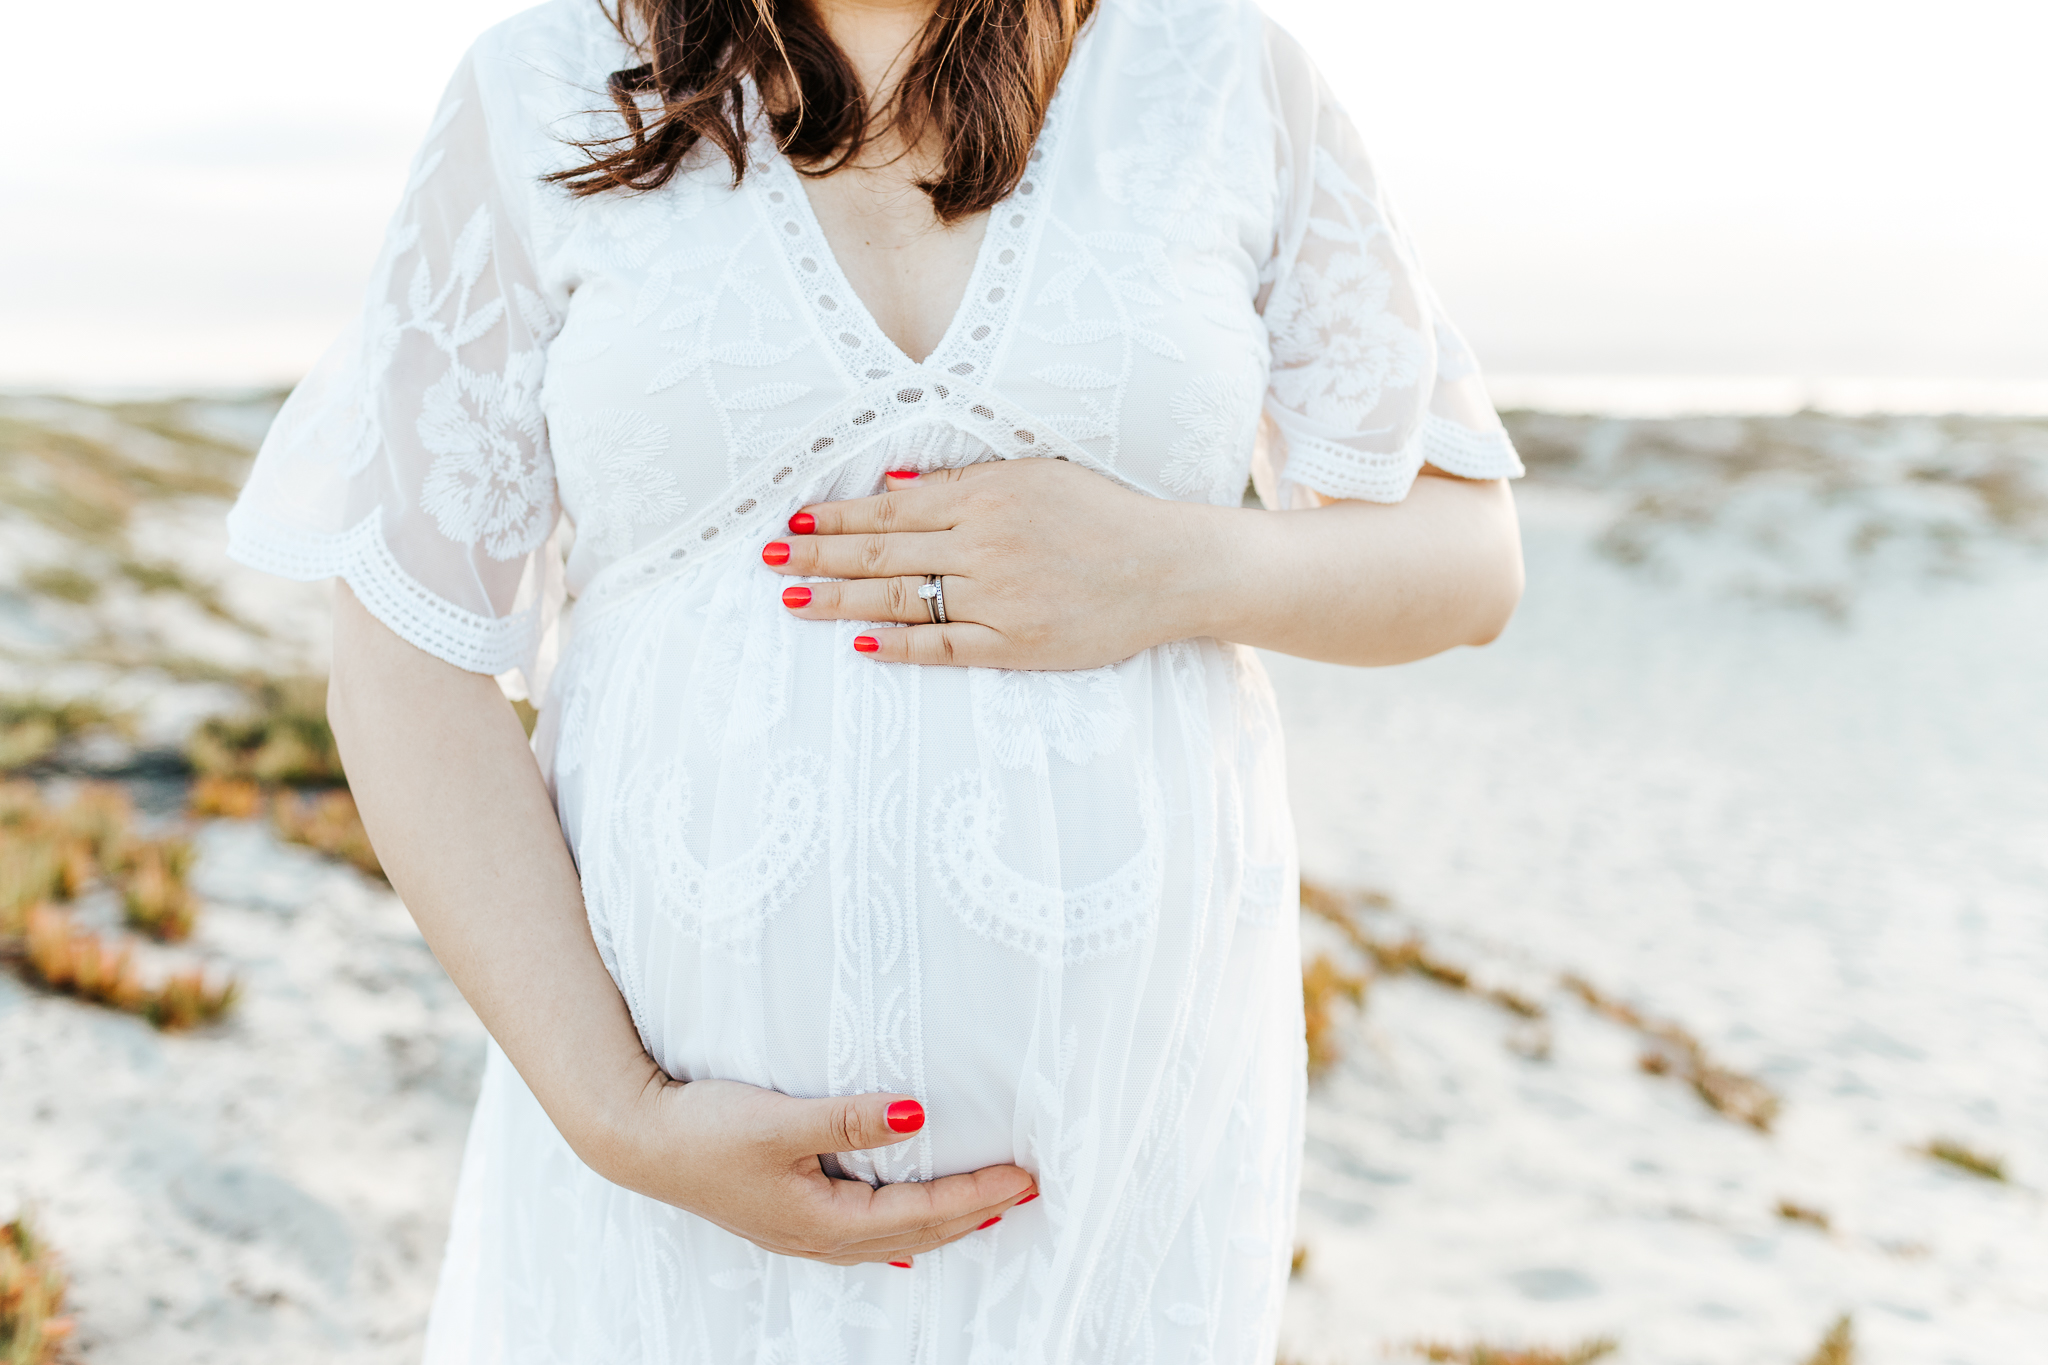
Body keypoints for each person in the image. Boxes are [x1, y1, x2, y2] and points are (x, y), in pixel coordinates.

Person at [227, 0, 1525, 1357]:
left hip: (1113, 1191)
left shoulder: (1219, 74)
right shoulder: (546, 80)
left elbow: (1467, 555)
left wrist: (1179, 567)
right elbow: (402, 652)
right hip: (666, 1200)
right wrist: (622, 1113)